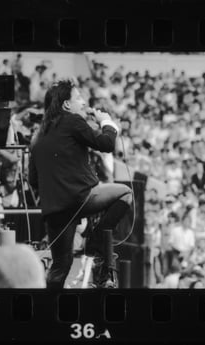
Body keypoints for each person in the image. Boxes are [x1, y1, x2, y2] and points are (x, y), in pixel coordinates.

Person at [29, 79, 132, 289]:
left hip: (54, 210)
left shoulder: (38, 135)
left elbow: (33, 179)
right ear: (67, 104)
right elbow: (106, 144)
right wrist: (107, 122)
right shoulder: (72, 120)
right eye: (78, 98)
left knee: (60, 267)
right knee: (126, 194)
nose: (83, 102)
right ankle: (95, 241)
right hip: (80, 198)